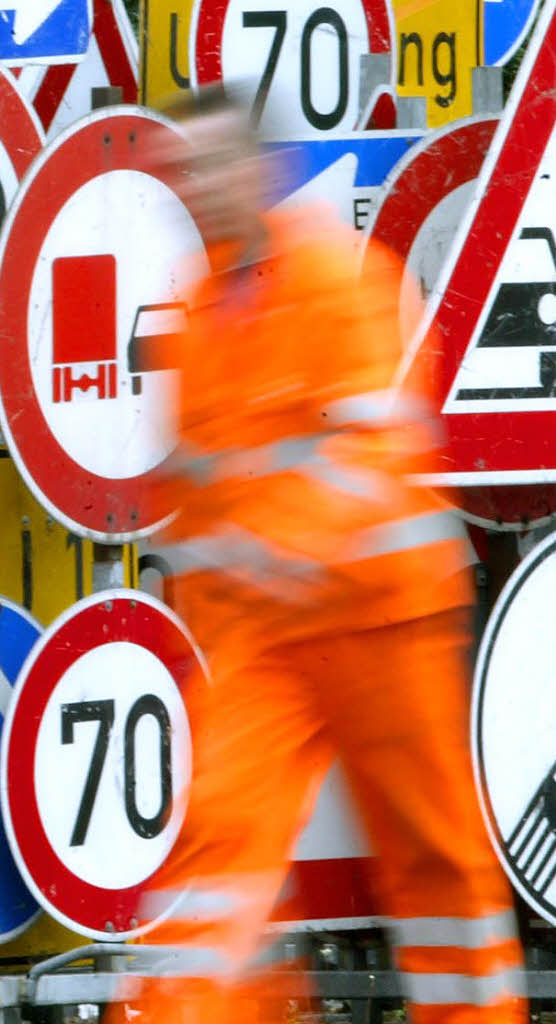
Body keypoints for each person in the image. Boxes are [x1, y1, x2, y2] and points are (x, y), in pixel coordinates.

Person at [125, 85, 527, 1024]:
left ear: (262, 168)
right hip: (263, 641)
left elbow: (374, 451)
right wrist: (218, 641)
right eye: (188, 170)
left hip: (384, 617)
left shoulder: (345, 278)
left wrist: (273, 550)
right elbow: (194, 503)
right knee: (216, 849)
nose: (206, 184)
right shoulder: (187, 320)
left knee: (434, 860)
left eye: (221, 162)